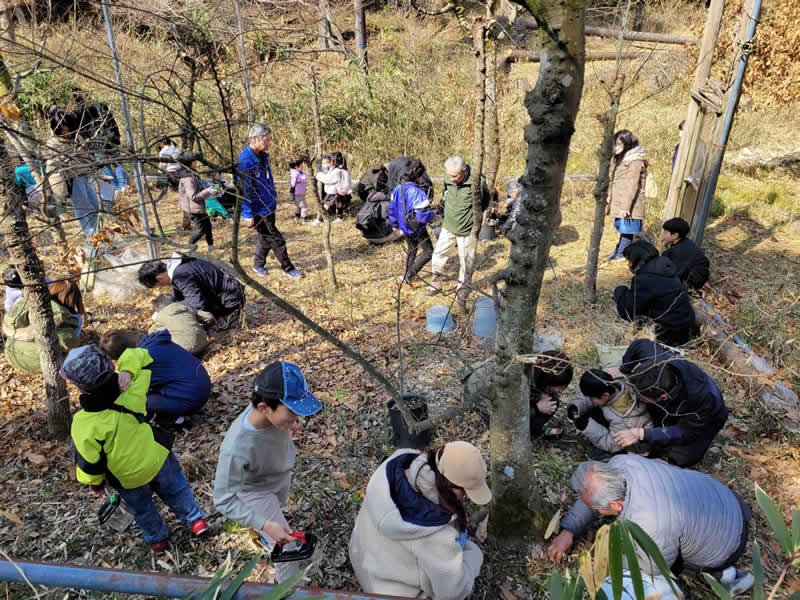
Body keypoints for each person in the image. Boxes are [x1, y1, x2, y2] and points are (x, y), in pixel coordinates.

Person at [63, 344, 208, 553]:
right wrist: (128, 371)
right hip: (157, 457)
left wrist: (95, 483)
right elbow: (141, 354)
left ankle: (157, 539)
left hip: (127, 478)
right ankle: (195, 520)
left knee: (142, 508)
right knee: (176, 489)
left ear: (78, 387)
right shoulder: (133, 387)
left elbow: (88, 462)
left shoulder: (83, 423)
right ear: (110, 365)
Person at [546, 457, 754, 595]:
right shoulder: (620, 463)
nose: (595, 512)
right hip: (723, 499)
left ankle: (724, 574)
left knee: (650, 579)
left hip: (727, 543)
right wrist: (569, 530)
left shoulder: (650, 525)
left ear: (615, 505)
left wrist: (606, 565)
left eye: (597, 509)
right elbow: (591, 493)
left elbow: (648, 566)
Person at [213, 361, 322, 582]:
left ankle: (266, 533)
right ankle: (290, 590)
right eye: (291, 412)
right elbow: (223, 500)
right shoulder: (236, 449)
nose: (296, 418)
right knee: (286, 548)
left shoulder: (273, 414)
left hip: (277, 475)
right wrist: (265, 524)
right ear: (264, 408)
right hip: (255, 491)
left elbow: (280, 418)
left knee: (277, 515)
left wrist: (288, 422)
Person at [349, 441, 490, 599]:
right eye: (465, 492)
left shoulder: (397, 463)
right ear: (451, 485)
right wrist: (474, 555)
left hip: (362, 560)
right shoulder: (437, 535)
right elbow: (453, 593)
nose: (464, 498)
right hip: (394, 594)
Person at [614, 338, 728, 467]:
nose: (638, 399)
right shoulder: (655, 360)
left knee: (682, 457)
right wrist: (624, 369)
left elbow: (686, 432)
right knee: (656, 423)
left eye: (642, 397)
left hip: (706, 418)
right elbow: (641, 343)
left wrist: (641, 434)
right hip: (672, 403)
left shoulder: (702, 399)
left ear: (663, 397)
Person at [98, 329, 211, 423]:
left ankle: (175, 419)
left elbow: (137, 393)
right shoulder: (153, 342)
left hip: (194, 397)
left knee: (137, 401)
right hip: (202, 382)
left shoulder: (142, 363)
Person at [238, 123, 302, 278]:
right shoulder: (245, 161)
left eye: (270, 140)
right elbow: (244, 190)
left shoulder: (263, 156)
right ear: (255, 139)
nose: (269, 143)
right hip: (259, 209)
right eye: (266, 140)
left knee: (264, 238)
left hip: (269, 204)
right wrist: (247, 214)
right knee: (276, 239)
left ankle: (258, 264)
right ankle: (288, 268)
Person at [613, 240, 698, 347]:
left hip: (668, 335)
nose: (628, 264)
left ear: (639, 260)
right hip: (687, 329)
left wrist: (620, 291)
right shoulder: (666, 268)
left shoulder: (645, 279)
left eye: (630, 260)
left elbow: (629, 311)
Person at [426, 156, 490, 296]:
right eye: (450, 175)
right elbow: (445, 194)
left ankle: (462, 290)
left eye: (455, 176)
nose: (452, 179)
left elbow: (484, 201)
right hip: (449, 226)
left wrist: (472, 218)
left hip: (466, 230)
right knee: (437, 255)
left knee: (465, 261)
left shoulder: (477, 182)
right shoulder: (448, 178)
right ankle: (435, 286)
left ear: (464, 170)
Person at [138, 255, 245, 330]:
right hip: (230, 292)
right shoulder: (181, 264)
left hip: (230, 303)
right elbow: (181, 294)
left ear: (159, 278)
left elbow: (198, 305)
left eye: (160, 285)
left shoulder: (180, 275)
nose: (164, 286)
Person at [567, 368, 652, 455]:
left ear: (605, 396)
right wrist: (576, 406)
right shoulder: (616, 386)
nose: (589, 399)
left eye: (591, 398)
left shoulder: (623, 418)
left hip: (633, 446)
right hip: (618, 423)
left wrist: (587, 426)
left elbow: (612, 445)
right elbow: (591, 395)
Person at [3, 280, 83, 373]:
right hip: (37, 362)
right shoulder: (71, 317)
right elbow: (69, 343)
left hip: (11, 353)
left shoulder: (35, 302)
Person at [387, 158, 436, 284]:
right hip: (416, 228)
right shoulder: (418, 193)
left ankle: (408, 276)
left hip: (404, 226)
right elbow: (422, 215)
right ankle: (410, 274)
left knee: (412, 249)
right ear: (419, 177)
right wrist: (433, 216)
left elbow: (391, 208)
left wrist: (394, 224)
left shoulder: (397, 189)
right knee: (428, 252)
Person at [607, 130, 648, 261]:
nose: (616, 147)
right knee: (623, 227)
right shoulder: (623, 157)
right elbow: (617, 180)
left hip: (631, 202)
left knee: (627, 229)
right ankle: (619, 250)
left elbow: (631, 184)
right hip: (621, 199)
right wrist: (610, 196)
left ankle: (621, 254)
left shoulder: (635, 160)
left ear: (627, 144)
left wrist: (626, 207)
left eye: (619, 144)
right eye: (615, 144)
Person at [176, 151, 218, 251]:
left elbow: (198, 186)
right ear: (190, 163)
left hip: (197, 206)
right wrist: (208, 191)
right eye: (194, 161)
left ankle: (211, 246)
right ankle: (189, 246)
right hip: (194, 209)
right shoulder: (188, 179)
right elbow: (193, 196)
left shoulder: (192, 174)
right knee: (201, 230)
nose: (196, 163)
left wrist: (209, 186)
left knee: (207, 226)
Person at [530, 350, 574, 439]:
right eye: (553, 386)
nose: (557, 390)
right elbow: (511, 412)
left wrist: (540, 394)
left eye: (561, 386)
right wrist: (536, 408)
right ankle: (527, 433)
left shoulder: (544, 371)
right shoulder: (522, 380)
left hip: (536, 390)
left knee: (553, 400)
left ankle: (535, 431)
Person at [661, 217, 710, 290]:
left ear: (675, 235)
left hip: (693, 284)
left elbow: (675, 275)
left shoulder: (680, 251)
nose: (663, 235)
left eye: (665, 232)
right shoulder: (685, 243)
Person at [315, 151, 352, 222]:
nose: (327, 164)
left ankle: (320, 219)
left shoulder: (336, 171)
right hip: (342, 191)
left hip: (333, 191)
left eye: (329, 161)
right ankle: (340, 217)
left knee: (326, 205)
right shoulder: (343, 170)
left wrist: (318, 175)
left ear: (334, 161)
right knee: (338, 203)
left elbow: (327, 179)